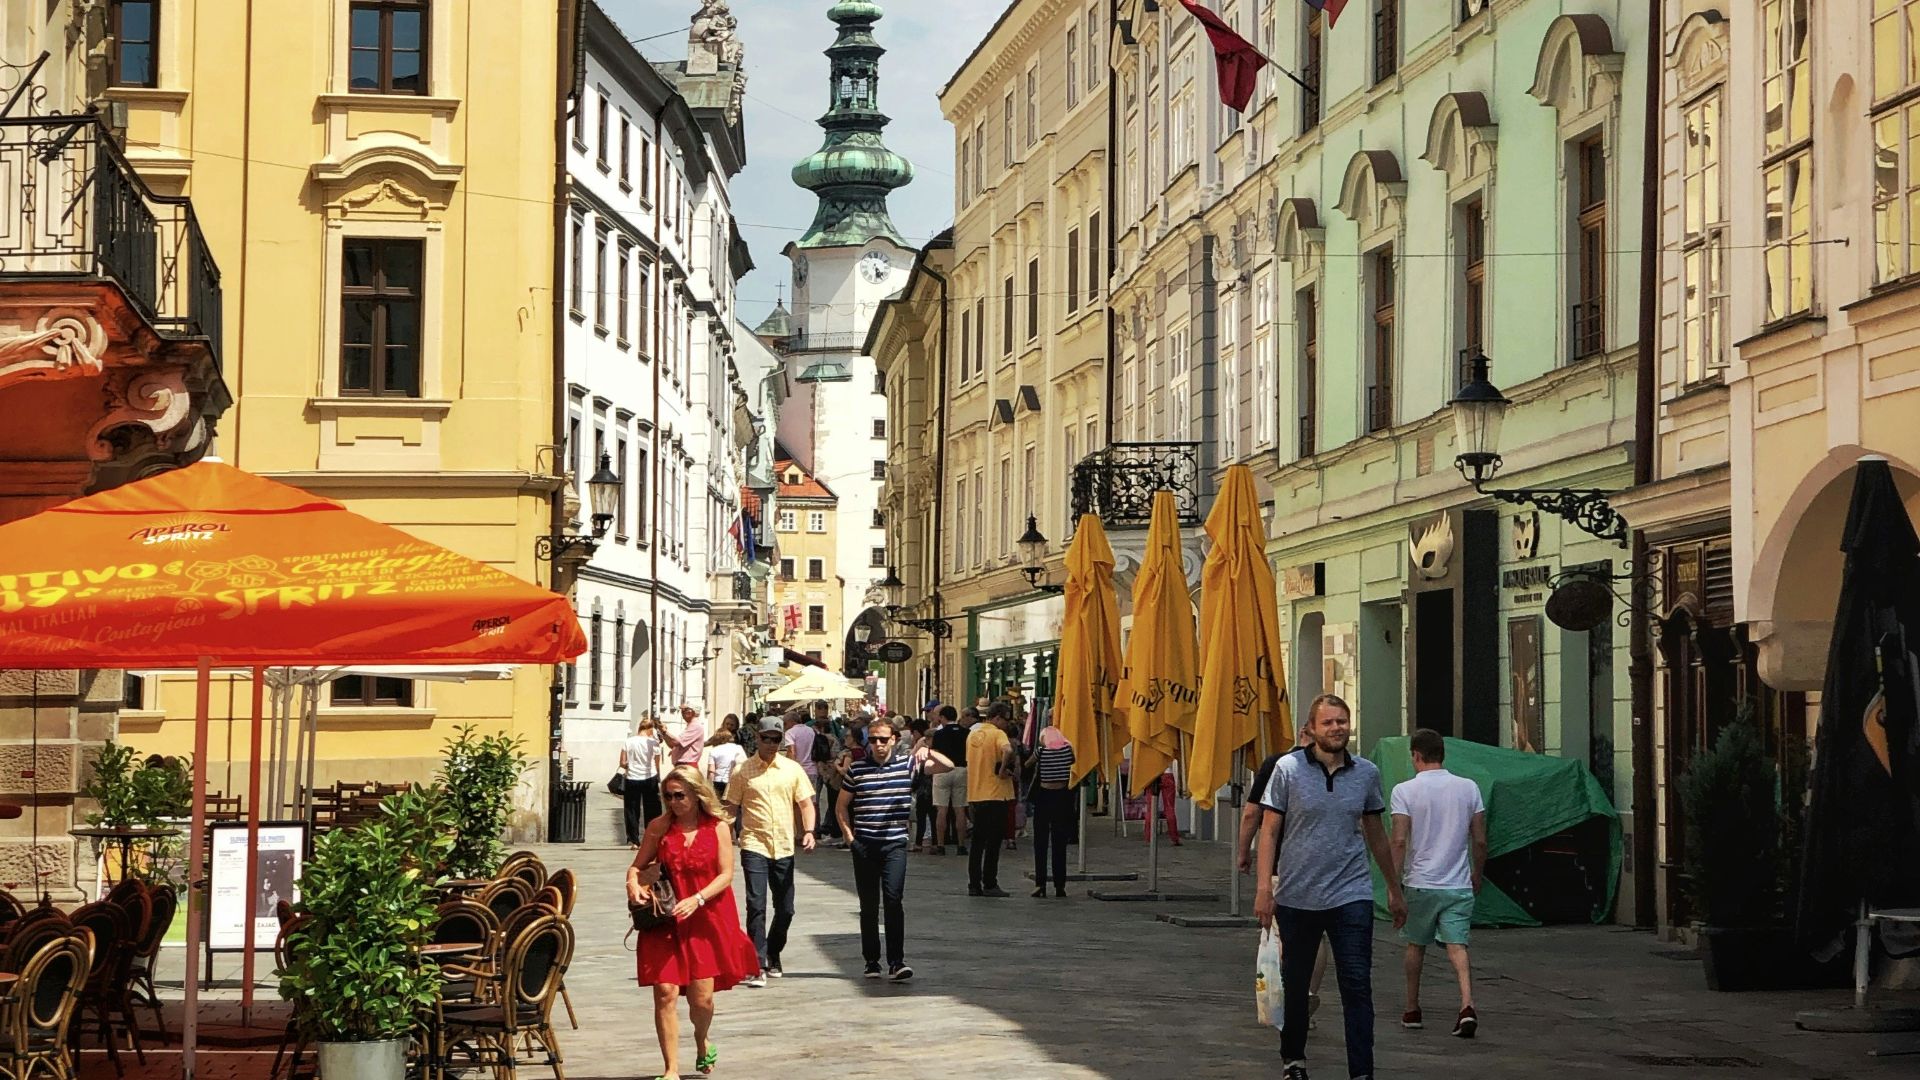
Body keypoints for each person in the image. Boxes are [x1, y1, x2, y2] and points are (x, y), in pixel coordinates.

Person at [1254, 694, 1406, 1080]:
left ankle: (1362, 1071)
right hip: (1297, 895)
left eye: (1342, 721)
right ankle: (1294, 1060)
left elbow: (1376, 833)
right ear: (1311, 729)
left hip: (1350, 893)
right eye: (1329, 722)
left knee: (1357, 983)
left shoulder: (1366, 773)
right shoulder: (1287, 769)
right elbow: (1269, 830)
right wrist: (1263, 888)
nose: (1337, 728)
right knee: (1297, 983)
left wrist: (1394, 887)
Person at [627, 766, 761, 1079]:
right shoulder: (659, 827)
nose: (673, 802)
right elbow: (636, 867)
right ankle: (671, 1068)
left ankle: (702, 1041)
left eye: (679, 795)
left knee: (701, 998)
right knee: (665, 992)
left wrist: (698, 898)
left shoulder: (717, 827)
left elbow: (726, 874)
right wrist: (633, 882)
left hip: (706, 918)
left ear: (697, 794)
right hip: (667, 920)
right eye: (668, 796)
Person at [835, 716, 953, 979]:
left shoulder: (907, 765)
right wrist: (849, 838)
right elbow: (841, 805)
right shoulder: (857, 769)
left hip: (894, 844)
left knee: (893, 900)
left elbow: (948, 765)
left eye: (883, 739)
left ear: (894, 740)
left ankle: (896, 961)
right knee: (868, 905)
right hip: (864, 844)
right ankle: (871, 961)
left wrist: (928, 750)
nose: (878, 744)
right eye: (873, 739)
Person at [1391, 727, 1487, 1038]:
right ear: (1442, 754)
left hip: (1421, 882)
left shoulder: (1404, 791)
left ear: (1415, 756)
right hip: (1458, 882)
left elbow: (1399, 840)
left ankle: (1412, 1007)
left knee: (1416, 944)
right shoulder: (1469, 788)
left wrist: (1394, 885)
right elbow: (1481, 840)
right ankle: (1467, 1004)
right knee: (1458, 946)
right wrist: (1477, 873)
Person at [1239, 727, 1332, 1028]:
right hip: (1322, 867)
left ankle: (1287, 1000)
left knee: (1282, 934)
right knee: (1317, 935)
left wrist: (1243, 850)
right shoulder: (1336, 767)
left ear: (1302, 731)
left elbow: (1252, 814)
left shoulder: (1276, 764)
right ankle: (1307, 992)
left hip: (1282, 865)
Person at [725, 717, 817, 986]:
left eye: (776, 739)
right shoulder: (742, 771)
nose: (771, 744)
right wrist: (720, 835)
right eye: (766, 738)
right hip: (754, 843)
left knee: (786, 909)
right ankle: (757, 963)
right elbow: (730, 808)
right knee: (756, 905)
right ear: (757, 738)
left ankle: (773, 950)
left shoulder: (792, 769)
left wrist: (809, 831)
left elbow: (806, 803)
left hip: (785, 845)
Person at [965, 702, 1018, 897]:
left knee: (978, 842)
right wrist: (1004, 769)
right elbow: (1008, 750)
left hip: (976, 793)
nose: (1006, 724)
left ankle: (973, 884)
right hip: (996, 794)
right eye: (1005, 719)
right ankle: (989, 882)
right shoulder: (998, 734)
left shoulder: (972, 735)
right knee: (993, 842)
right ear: (997, 717)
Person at [1024, 727, 1075, 897]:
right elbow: (1073, 760)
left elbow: (1028, 764)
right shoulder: (1068, 750)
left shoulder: (1041, 751)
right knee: (1059, 842)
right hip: (1062, 798)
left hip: (1044, 798)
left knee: (1041, 842)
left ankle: (1040, 885)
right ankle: (1060, 886)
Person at [620, 715, 671, 847]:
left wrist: (631, 765)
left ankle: (633, 840)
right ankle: (652, 837)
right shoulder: (653, 743)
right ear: (650, 729)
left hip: (632, 777)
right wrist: (658, 778)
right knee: (652, 809)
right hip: (650, 777)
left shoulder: (628, 741)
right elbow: (657, 763)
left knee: (631, 809)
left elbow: (622, 762)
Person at [928, 705, 969, 855]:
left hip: (943, 770)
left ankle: (940, 844)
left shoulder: (939, 734)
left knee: (942, 809)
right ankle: (961, 845)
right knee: (960, 809)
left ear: (943, 717)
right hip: (961, 769)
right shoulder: (966, 733)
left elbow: (935, 753)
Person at [908, 716, 935, 852]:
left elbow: (919, 773)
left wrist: (912, 786)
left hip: (923, 791)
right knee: (933, 817)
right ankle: (935, 843)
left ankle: (918, 843)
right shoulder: (939, 754)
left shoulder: (925, 754)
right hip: (934, 790)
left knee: (921, 818)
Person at [703, 722, 747, 801]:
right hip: (733, 781)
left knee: (718, 807)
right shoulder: (738, 748)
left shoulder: (714, 751)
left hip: (718, 782)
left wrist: (709, 788)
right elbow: (744, 763)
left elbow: (711, 772)